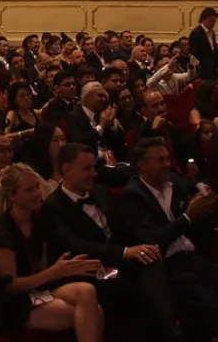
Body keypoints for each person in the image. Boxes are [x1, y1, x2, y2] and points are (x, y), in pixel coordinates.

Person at [42, 143, 178, 342]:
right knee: (135, 291)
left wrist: (148, 244)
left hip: (120, 263)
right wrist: (125, 252)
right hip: (91, 271)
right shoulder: (53, 207)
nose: (94, 174)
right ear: (67, 169)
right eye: (87, 169)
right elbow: (76, 246)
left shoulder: (100, 192)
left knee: (152, 268)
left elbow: (127, 228)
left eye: (94, 168)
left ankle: (169, 332)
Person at [117, 137, 218, 337]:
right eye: (160, 160)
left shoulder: (173, 181)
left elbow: (195, 186)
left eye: (167, 159)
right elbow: (151, 238)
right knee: (210, 305)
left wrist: (203, 193)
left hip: (194, 257)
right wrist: (188, 217)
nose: (167, 164)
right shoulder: (132, 197)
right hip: (168, 266)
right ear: (142, 164)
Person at [0, 163, 103, 341]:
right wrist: (53, 272)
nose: (38, 193)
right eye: (29, 190)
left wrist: (63, 270)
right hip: (18, 300)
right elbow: (10, 286)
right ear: (12, 196)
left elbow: (43, 271)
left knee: (87, 291)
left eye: (37, 187)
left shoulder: (40, 220)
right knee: (94, 312)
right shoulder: (4, 230)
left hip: (41, 289)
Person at [189, 6, 218, 80]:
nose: (213, 24)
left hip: (212, 71)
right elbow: (194, 54)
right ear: (203, 19)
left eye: (214, 21)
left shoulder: (212, 32)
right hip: (202, 72)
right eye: (211, 21)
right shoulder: (196, 33)